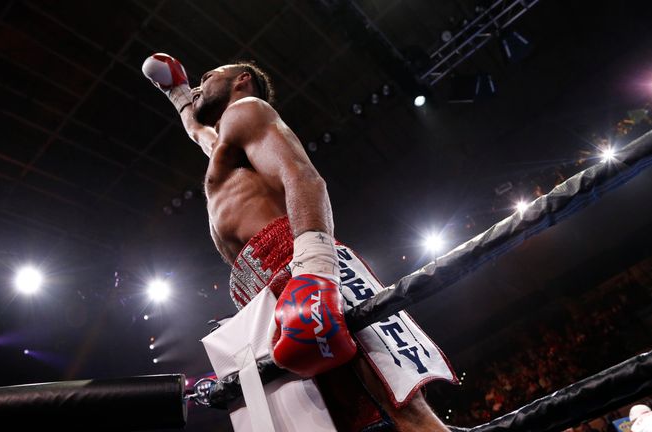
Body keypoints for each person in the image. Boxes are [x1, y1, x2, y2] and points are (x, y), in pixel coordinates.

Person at [142, 53, 456, 431]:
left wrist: (315, 267)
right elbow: (197, 131)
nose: (200, 83)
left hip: (295, 257)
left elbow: (303, 176)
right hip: (256, 286)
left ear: (242, 80)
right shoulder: (225, 143)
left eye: (210, 76)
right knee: (335, 421)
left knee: (399, 403)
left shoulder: (247, 110)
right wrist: (177, 95)